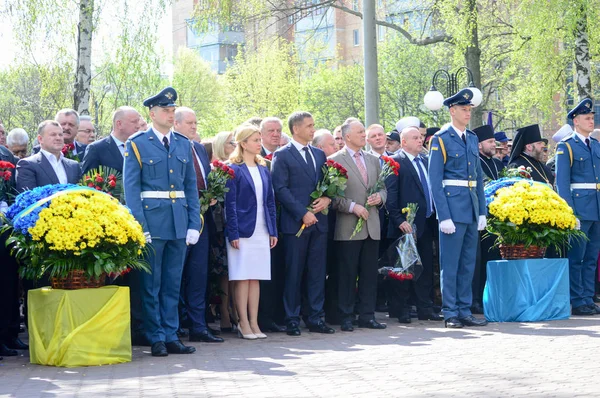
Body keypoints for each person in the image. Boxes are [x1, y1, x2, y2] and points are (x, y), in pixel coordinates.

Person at [123, 87, 201, 357]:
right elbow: (131, 190)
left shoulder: (183, 142)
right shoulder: (137, 143)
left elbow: (190, 187)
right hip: (152, 222)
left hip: (178, 221)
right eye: (166, 110)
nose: (170, 114)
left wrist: (194, 223)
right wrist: (140, 226)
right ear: (152, 113)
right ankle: (155, 336)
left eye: (172, 110)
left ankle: (171, 334)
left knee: (172, 282)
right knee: (151, 283)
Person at [428, 88, 488, 328]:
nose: (467, 113)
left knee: (467, 264)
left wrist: (482, 210)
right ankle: (450, 311)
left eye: (469, 109)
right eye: (463, 109)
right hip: (452, 208)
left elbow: (479, 178)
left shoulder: (472, 138)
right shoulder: (441, 139)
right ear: (452, 111)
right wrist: (444, 216)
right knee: (450, 264)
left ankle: (464, 309)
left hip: (471, 207)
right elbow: (435, 181)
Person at [271, 111, 335, 336]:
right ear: (296, 129)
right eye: (308, 126)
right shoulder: (283, 155)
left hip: (319, 222)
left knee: (317, 273)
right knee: (294, 272)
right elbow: (280, 188)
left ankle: (315, 317)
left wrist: (328, 198)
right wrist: (301, 213)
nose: (312, 129)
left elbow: (328, 184)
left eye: (313, 125)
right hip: (295, 225)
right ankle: (292, 318)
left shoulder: (319, 155)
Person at [329, 119, 387, 331]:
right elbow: (332, 196)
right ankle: (345, 316)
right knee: (346, 273)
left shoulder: (373, 160)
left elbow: (382, 188)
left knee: (370, 274)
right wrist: (352, 206)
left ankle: (367, 315)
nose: (365, 135)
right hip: (348, 227)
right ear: (347, 137)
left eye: (364, 131)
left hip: (372, 225)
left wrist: (379, 198)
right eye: (360, 132)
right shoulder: (335, 160)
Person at [173, 107, 223, 343]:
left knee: (198, 274)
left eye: (195, 122)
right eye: (189, 123)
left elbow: (202, 178)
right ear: (176, 124)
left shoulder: (200, 149)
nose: (194, 127)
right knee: (175, 275)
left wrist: (210, 195)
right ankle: (174, 326)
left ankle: (198, 326)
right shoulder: (172, 148)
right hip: (178, 220)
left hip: (201, 219)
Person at [225, 124, 278, 339]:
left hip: (261, 229)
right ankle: (243, 323)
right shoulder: (234, 169)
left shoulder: (264, 168)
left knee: (256, 277)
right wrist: (234, 233)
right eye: (255, 140)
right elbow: (230, 204)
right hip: (242, 230)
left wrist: (272, 230)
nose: (259, 143)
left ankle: (255, 322)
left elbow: (270, 202)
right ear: (243, 143)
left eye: (259, 139)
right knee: (242, 276)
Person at [385, 126, 442, 323]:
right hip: (406, 225)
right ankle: (402, 309)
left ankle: (424, 307)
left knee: (424, 266)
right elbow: (391, 196)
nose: (421, 140)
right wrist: (399, 220)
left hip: (426, 223)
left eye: (421, 137)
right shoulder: (395, 162)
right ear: (404, 142)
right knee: (404, 268)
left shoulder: (426, 161)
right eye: (415, 138)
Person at [556, 98, 600, 316]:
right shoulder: (566, 146)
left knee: (592, 257)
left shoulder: (596, 145)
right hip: (580, 209)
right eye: (587, 118)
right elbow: (562, 184)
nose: (591, 121)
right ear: (576, 120)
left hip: (597, 208)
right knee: (577, 257)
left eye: (592, 118)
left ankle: (588, 298)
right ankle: (577, 299)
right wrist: (570, 213)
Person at [471, 125, 505, 314]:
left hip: (498, 221)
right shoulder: (475, 161)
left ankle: (493, 297)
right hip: (482, 219)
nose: (494, 145)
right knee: (479, 260)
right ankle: (476, 298)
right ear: (478, 144)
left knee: (495, 258)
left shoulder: (498, 164)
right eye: (490, 142)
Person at [210, 131, 238, 332]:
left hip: (237, 225)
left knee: (236, 272)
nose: (234, 146)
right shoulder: (214, 169)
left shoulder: (237, 167)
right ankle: (225, 313)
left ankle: (236, 310)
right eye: (231, 143)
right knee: (224, 272)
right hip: (219, 227)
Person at [0, 144, 23, 359]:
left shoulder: (5, 154)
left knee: (8, 282)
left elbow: (11, 188)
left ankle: (8, 333)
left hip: (3, 226)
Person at [16, 121, 82, 192]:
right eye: (53, 135)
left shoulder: (73, 166)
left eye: (60, 134)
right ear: (40, 139)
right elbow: (28, 198)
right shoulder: (28, 165)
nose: (58, 138)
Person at [82, 106, 140, 174]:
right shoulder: (97, 149)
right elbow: (88, 181)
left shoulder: (141, 146)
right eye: (134, 122)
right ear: (119, 124)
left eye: (138, 121)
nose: (138, 126)